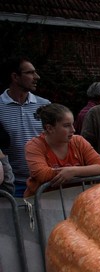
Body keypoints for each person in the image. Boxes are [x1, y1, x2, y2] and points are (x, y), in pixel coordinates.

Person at [23, 103, 100, 198]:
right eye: (66, 126)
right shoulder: (34, 145)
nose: (73, 129)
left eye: (72, 124)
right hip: (44, 202)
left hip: (75, 199)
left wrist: (74, 171)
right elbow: (42, 174)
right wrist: (84, 171)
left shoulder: (78, 141)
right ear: (49, 128)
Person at [0, 57, 51, 196]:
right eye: (30, 73)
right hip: (12, 185)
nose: (37, 77)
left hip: (43, 183)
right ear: (15, 77)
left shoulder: (45, 105)